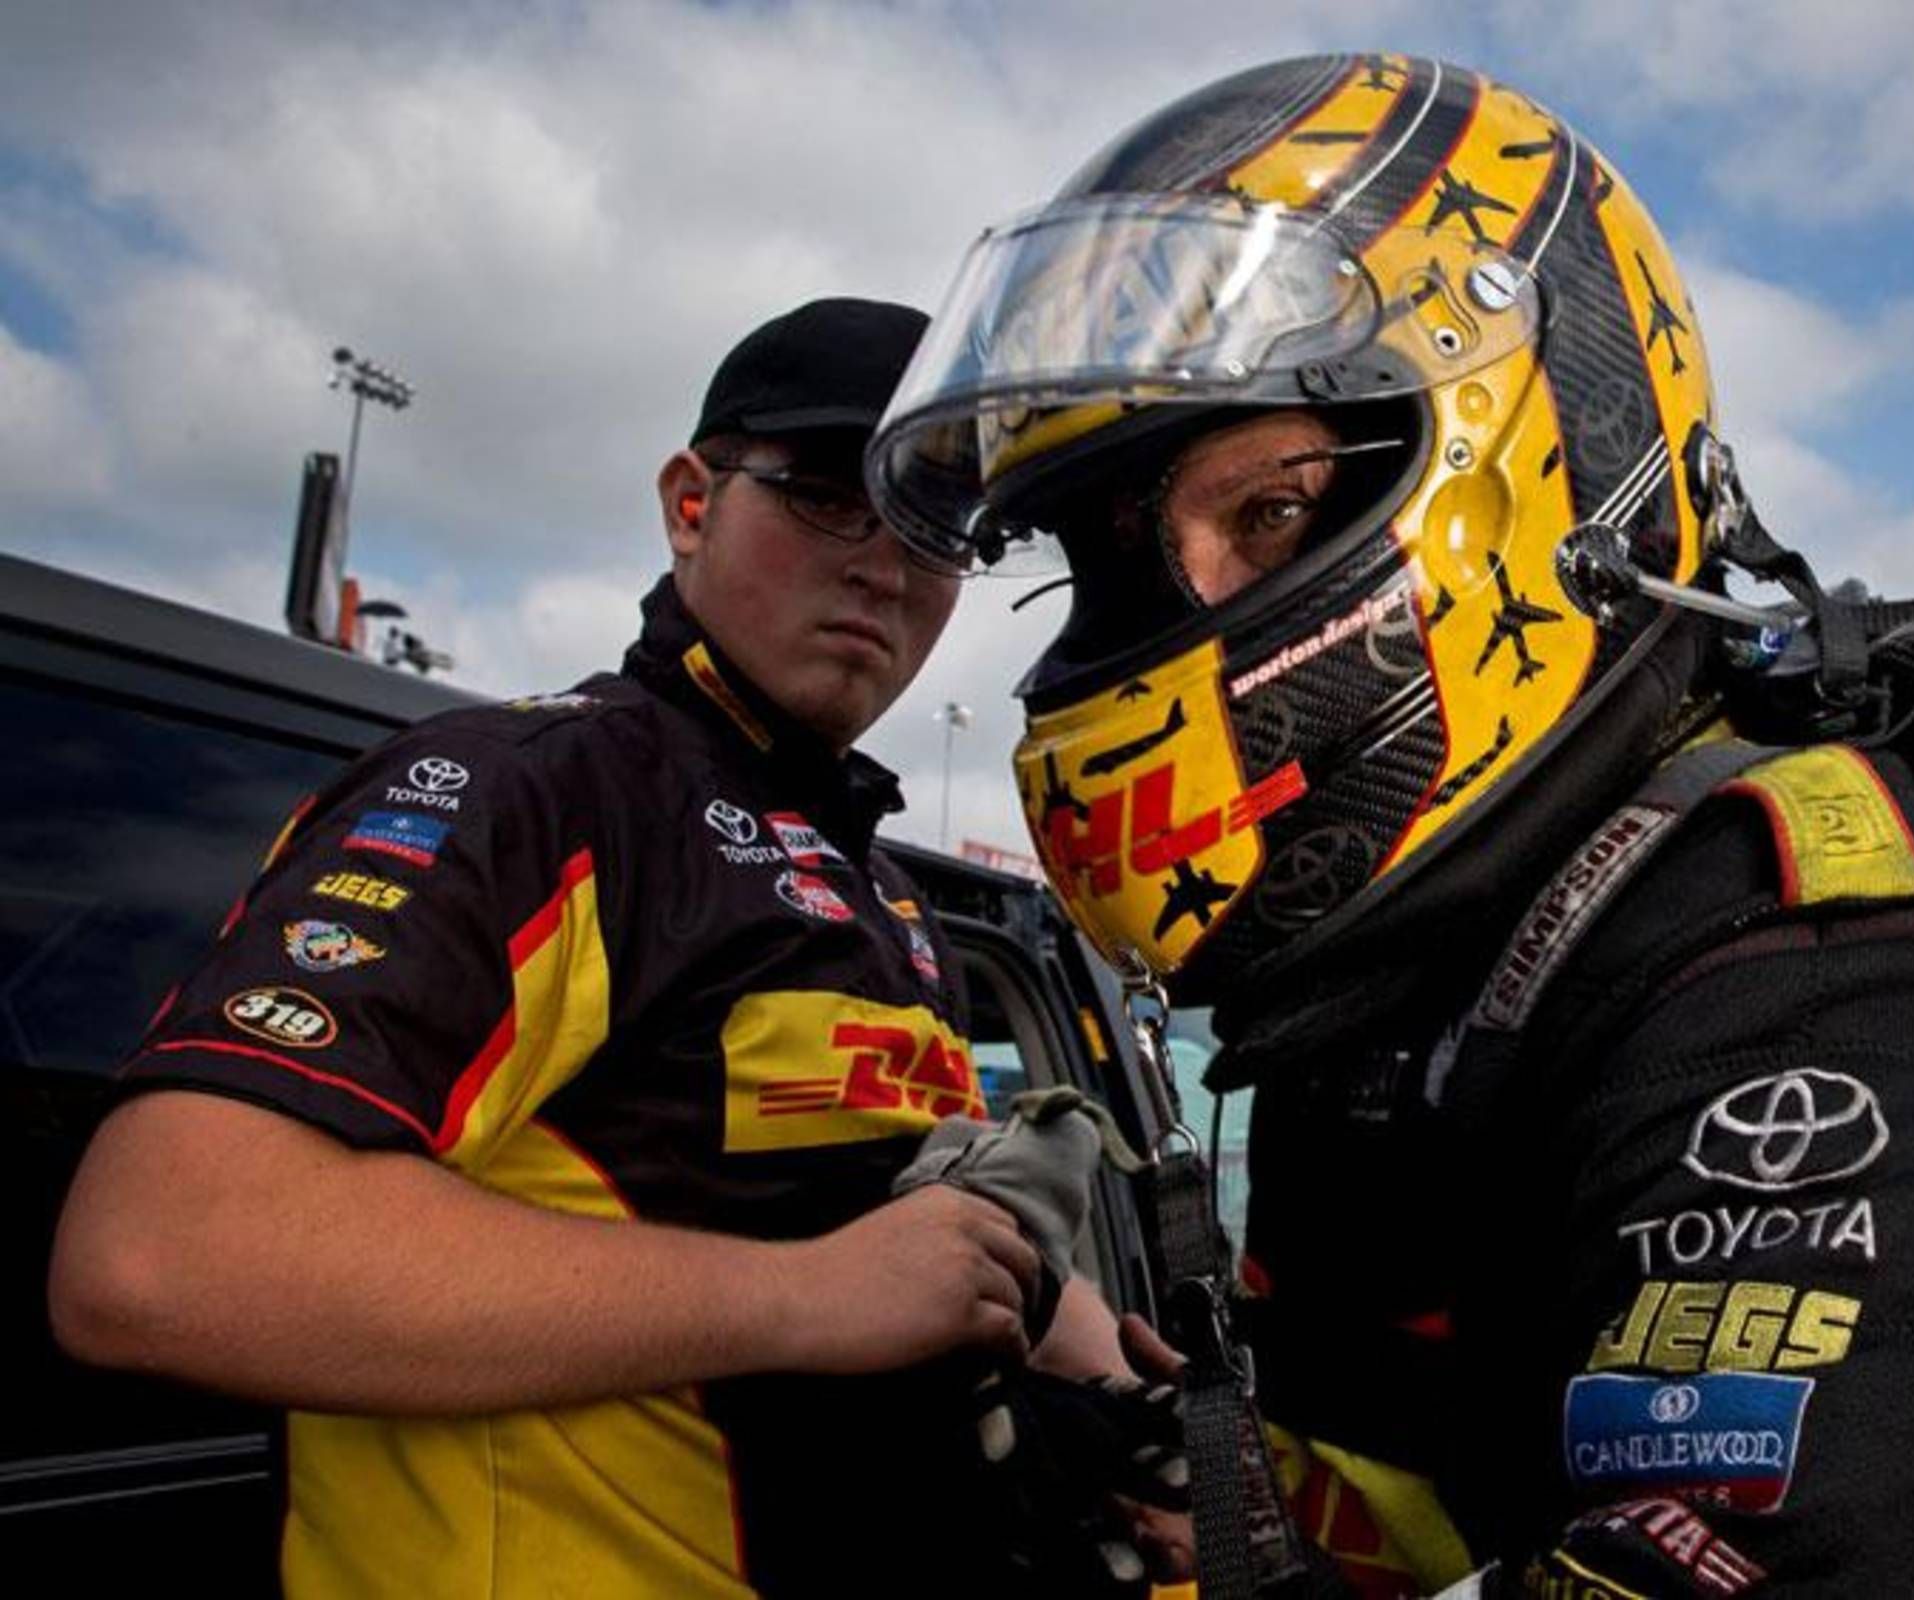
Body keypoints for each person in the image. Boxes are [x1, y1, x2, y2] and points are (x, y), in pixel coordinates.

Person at [866, 53, 1914, 1598]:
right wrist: (1190, 1470)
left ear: (1552, 465)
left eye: (1269, 510)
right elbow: (1434, 1477)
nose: (1174, 620)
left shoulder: (1815, 1000)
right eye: (1120, 569)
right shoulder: (1428, 979)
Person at [49, 299, 1164, 1596]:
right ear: (691, 503)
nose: (883, 565)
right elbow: (160, 1255)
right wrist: (804, 1297)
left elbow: (888, 1218)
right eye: (822, 494)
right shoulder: (527, 792)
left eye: (929, 524)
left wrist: (1110, 1380)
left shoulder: (873, 883)